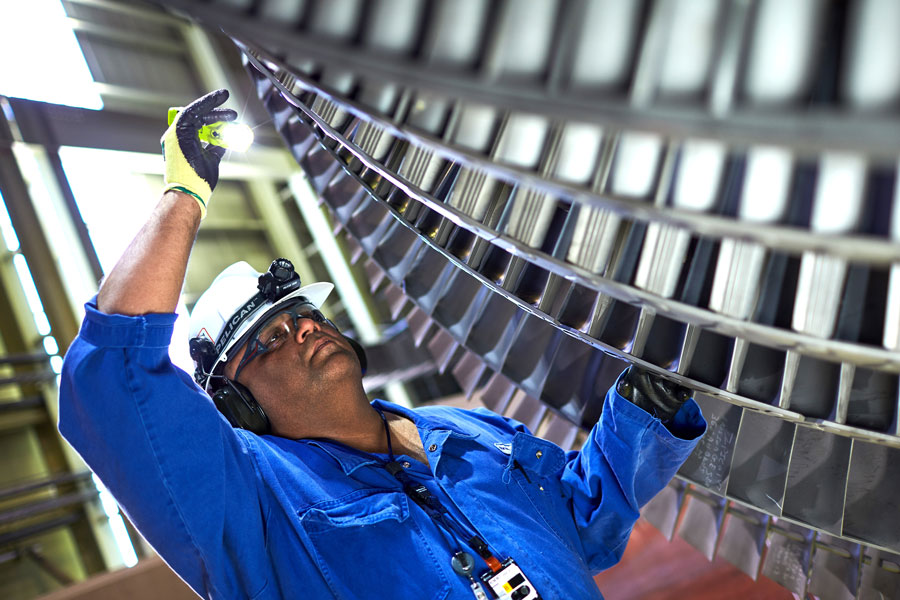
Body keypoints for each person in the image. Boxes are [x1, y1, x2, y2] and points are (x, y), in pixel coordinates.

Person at [59, 90, 706, 600]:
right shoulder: (258, 511)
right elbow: (114, 376)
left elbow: (580, 516)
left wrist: (645, 406)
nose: (305, 328)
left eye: (304, 314)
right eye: (271, 338)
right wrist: (185, 194)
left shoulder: (470, 435)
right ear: (237, 406)